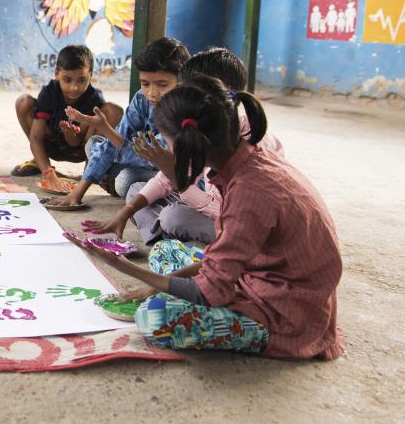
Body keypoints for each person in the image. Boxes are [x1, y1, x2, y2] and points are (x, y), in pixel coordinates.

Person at [85, 76, 344, 359]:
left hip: (285, 312)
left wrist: (126, 269)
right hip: (258, 276)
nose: (167, 151)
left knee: (154, 318)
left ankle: (262, 333)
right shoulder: (245, 160)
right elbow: (223, 259)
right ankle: (166, 288)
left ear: (193, 142)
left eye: (168, 143)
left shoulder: (250, 192)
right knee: (164, 250)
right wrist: (152, 285)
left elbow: (210, 293)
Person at [98, 47, 283, 244]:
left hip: (240, 226)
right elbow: (166, 179)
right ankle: (167, 239)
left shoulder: (249, 148)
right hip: (204, 200)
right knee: (136, 191)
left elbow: (228, 213)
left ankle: (174, 238)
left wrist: (181, 183)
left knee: (173, 217)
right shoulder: (203, 127)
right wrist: (127, 211)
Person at [47, 37, 189, 206]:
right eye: (145, 83)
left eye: (162, 84)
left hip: (171, 173)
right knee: (94, 144)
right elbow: (118, 141)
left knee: (125, 179)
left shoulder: (186, 109)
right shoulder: (142, 99)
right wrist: (77, 194)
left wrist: (107, 130)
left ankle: (116, 183)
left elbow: (153, 157)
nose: (151, 92)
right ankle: (113, 179)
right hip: (138, 161)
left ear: (181, 81)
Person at [11, 44, 123, 193]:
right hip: (52, 146)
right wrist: (48, 174)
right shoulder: (49, 93)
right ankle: (41, 163)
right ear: (57, 73)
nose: (74, 87)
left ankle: (91, 169)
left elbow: (82, 141)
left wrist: (71, 134)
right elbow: (36, 137)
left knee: (114, 111)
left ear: (91, 75)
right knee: (23, 102)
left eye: (82, 80)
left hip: (81, 149)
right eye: (67, 80)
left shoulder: (94, 98)